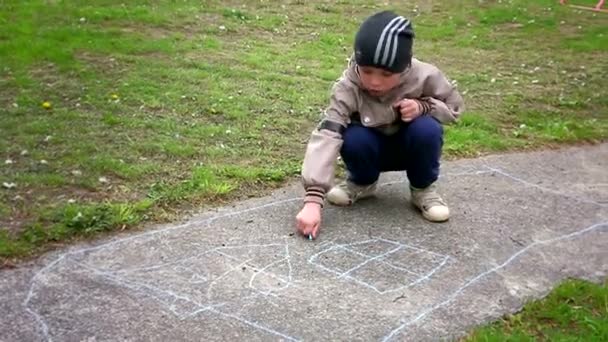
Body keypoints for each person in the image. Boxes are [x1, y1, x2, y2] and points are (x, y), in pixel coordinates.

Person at [296, 10, 465, 239]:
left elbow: (454, 108)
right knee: (352, 137)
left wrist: (423, 107)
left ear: (404, 67)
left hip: (410, 147)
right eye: (367, 71)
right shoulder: (348, 87)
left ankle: (422, 190)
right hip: (371, 150)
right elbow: (328, 132)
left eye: (386, 74)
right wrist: (313, 201)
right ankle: (363, 182)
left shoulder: (425, 75)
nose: (375, 82)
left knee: (427, 129)